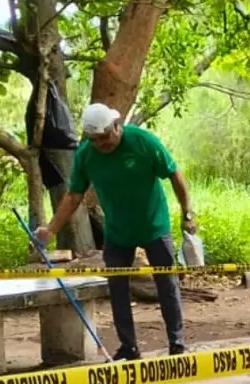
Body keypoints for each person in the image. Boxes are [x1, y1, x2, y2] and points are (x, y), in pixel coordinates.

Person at [34, 102, 196, 361]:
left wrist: (187, 213)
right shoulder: (86, 154)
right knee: (118, 289)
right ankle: (129, 347)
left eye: (106, 137)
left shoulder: (143, 142)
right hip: (118, 232)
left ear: (117, 126)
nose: (102, 144)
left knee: (166, 285)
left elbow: (175, 174)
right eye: (95, 140)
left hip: (154, 225)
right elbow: (74, 195)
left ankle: (176, 343)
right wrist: (51, 230)